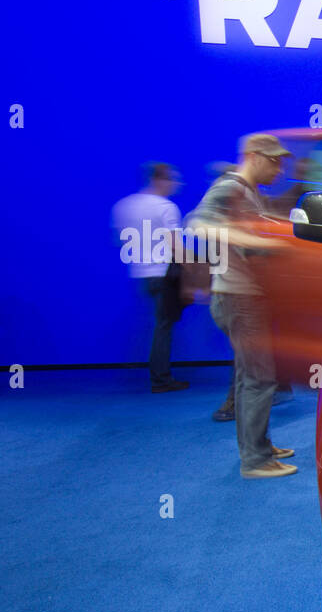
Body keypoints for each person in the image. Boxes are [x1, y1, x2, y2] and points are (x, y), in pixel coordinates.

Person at [188, 133, 297, 479]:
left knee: (248, 377)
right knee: (259, 378)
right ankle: (255, 460)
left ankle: (258, 444)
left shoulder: (250, 193)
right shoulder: (230, 187)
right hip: (239, 298)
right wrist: (257, 243)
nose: (279, 169)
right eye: (274, 160)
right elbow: (199, 225)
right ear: (253, 156)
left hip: (241, 297)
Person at [111, 162, 189, 392]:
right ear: (159, 179)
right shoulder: (166, 207)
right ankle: (161, 379)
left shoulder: (123, 206)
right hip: (164, 272)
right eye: (173, 179)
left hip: (139, 273)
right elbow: (176, 246)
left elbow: (119, 240)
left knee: (158, 324)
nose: (177, 184)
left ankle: (159, 376)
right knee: (164, 327)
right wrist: (193, 272)